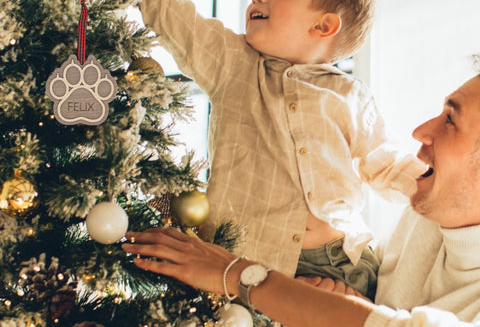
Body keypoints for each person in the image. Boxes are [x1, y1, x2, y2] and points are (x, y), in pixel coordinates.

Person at [50, 0, 426, 300]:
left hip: (338, 263)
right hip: (244, 258)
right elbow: (167, 7)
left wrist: (443, 188)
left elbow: (386, 165)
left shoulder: (348, 95)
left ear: (324, 26)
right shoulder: (234, 65)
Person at [122, 70, 480, 327]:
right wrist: (352, 302)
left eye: (450, 120)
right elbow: (383, 313)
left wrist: (236, 273)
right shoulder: (427, 215)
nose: (421, 132)